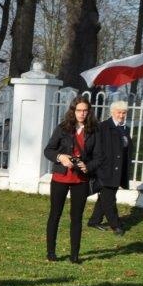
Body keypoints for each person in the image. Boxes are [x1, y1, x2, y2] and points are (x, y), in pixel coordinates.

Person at [43, 95, 97, 263]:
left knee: (77, 217)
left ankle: (74, 255)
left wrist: (88, 166)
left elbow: (99, 157)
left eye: (85, 111)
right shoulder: (63, 128)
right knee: (55, 214)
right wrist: (60, 157)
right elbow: (48, 150)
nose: (82, 114)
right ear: (73, 111)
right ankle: (51, 252)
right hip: (60, 177)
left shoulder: (94, 131)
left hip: (80, 180)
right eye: (79, 110)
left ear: (89, 112)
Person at [88, 100, 131, 236]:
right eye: (119, 112)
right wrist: (98, 168)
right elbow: (96, 149)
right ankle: (116, 225)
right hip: (106, 170)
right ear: (112, 112)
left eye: (124, 113)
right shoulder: (103, 127)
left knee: (106, 197)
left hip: (118, 170)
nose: (121, 115)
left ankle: (94, 221)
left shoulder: (125, 128)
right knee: (109, 200)